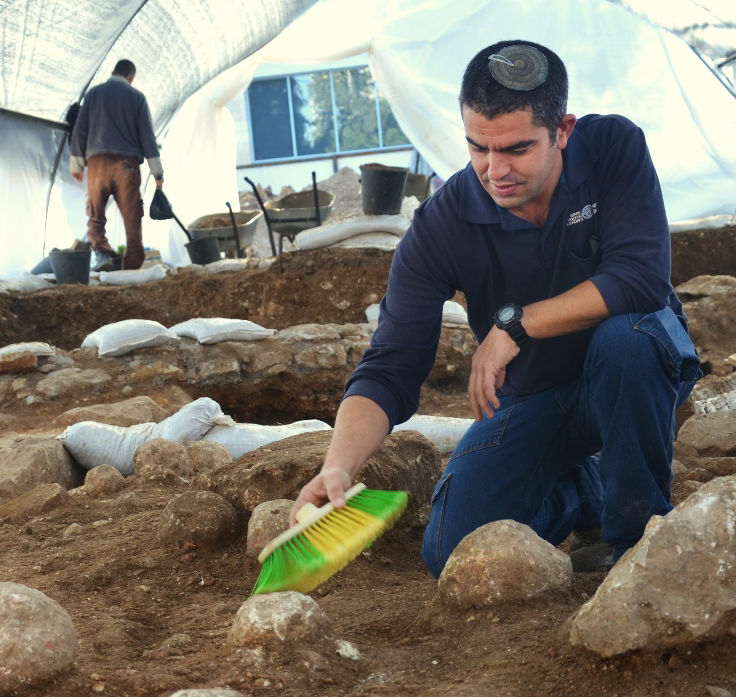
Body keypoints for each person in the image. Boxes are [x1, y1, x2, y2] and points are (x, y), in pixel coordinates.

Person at [291, 40, 700, 576]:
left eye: (515, 149)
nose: (494, 170)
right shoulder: (444, 225)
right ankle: (584, 489)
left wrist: (515, 326)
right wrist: (338, 466)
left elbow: (641, 280)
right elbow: (391, 365)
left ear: (563, 131)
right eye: (478, 148)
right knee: (453, 552)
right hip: (540, 398)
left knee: (625, 341)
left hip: (634, 372)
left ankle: (637, 542)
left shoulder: (611, 147)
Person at [70, 59, 163, 271]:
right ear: (131, 77)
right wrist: (157, 171)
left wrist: (76, 164)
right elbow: (147, 137)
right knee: (132, 218)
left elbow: (80, 129)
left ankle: (103, 255)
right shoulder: (137, 97)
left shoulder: (93, 94)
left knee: (96, 214)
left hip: (97, 164)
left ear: (113, 72)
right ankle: (131, 267)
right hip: (126, 166)